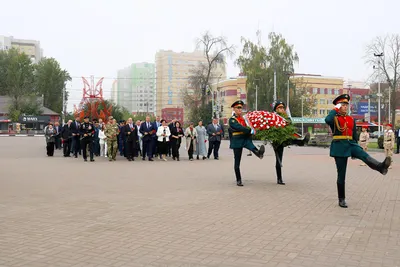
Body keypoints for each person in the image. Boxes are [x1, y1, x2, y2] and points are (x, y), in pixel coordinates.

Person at [325, 94, 391, 208]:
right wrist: (335, 109)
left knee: (363, 154)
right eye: (343, 105)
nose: (345, 107)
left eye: (346, 105)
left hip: (351, 144)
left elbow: (354, 135)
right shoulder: (334, 118)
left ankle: (380, 167)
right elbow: (327, 119)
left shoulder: (351, 119)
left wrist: (355, 149)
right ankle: (341, 199)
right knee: (341, 174)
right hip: (339, 146)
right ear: (338, 106)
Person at [228, 100, 265, 186]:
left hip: (245, 138)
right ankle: (238, 179)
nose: (240, 109)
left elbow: (249, 125)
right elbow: (240, 128)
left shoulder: (244, 119)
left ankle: (259, 153)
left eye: (241, 108)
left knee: (251, 146)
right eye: (238, 108)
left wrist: (254, 128)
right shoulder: (232, 120)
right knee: (237, 161)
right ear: (234, 109)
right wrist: (250, 130)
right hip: (237, 140)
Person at [272, 100, 289, 185]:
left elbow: (289, 127)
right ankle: (279, 179)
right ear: (276, 109)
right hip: (277, 141)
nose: (282, 109)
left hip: (284, 139)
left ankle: (301, 142)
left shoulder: (286, 117)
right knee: (279, 160)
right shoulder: (273, 117)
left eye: (283, 107)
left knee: (292, 139)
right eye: (280, 107)